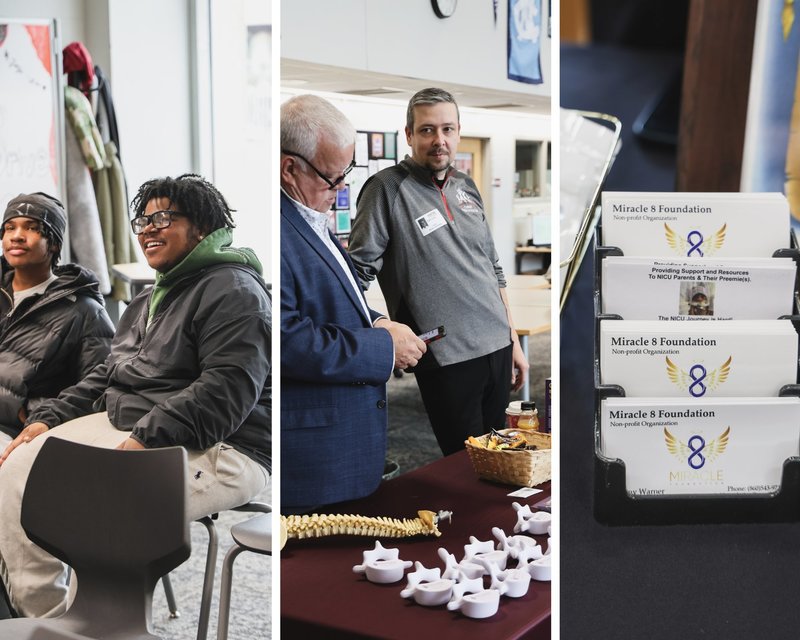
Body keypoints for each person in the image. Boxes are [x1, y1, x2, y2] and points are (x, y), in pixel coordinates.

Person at [0, 174, 271, 618]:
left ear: (202, 227)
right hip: (136, 424)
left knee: (97, 503)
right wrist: (49, 417)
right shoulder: (149, 298)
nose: (147, 229)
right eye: (142, 221)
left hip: (227, 445)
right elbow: (109, 372)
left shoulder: (234, 289)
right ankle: (48, 622)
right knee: (18, 469)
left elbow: (226, 391)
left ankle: (98, 624)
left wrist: (147, 439)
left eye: (163, 217)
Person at [348, 87, 529, 456]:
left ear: (459, 131)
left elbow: (492, 267)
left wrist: (512, 339)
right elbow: (354, 274)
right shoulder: (385, 188)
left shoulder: (466, 185)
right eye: (428, 130)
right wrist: (380, 327)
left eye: (447, 129)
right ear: (409, 135)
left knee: (500, 460)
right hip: (447, 355)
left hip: (496, 345)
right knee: (465, 463)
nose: (439, 140)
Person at [280, 94, 425, 511]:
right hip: (313, 456)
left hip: (342, 443)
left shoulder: (308, 215)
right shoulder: (281, 229)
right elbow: (288, 339)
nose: (341, 189)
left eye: (347, 175)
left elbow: (336, 300)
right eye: (332, 178)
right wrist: (384, 348)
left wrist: (378, 322)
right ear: (290, 168)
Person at [0, 192, 114, 441]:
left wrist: (37, 412)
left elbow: (101, 385)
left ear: (54, 243)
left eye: (31, 228)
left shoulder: (84, 311)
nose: (16, 235)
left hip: (21, 433)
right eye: (9, 228)